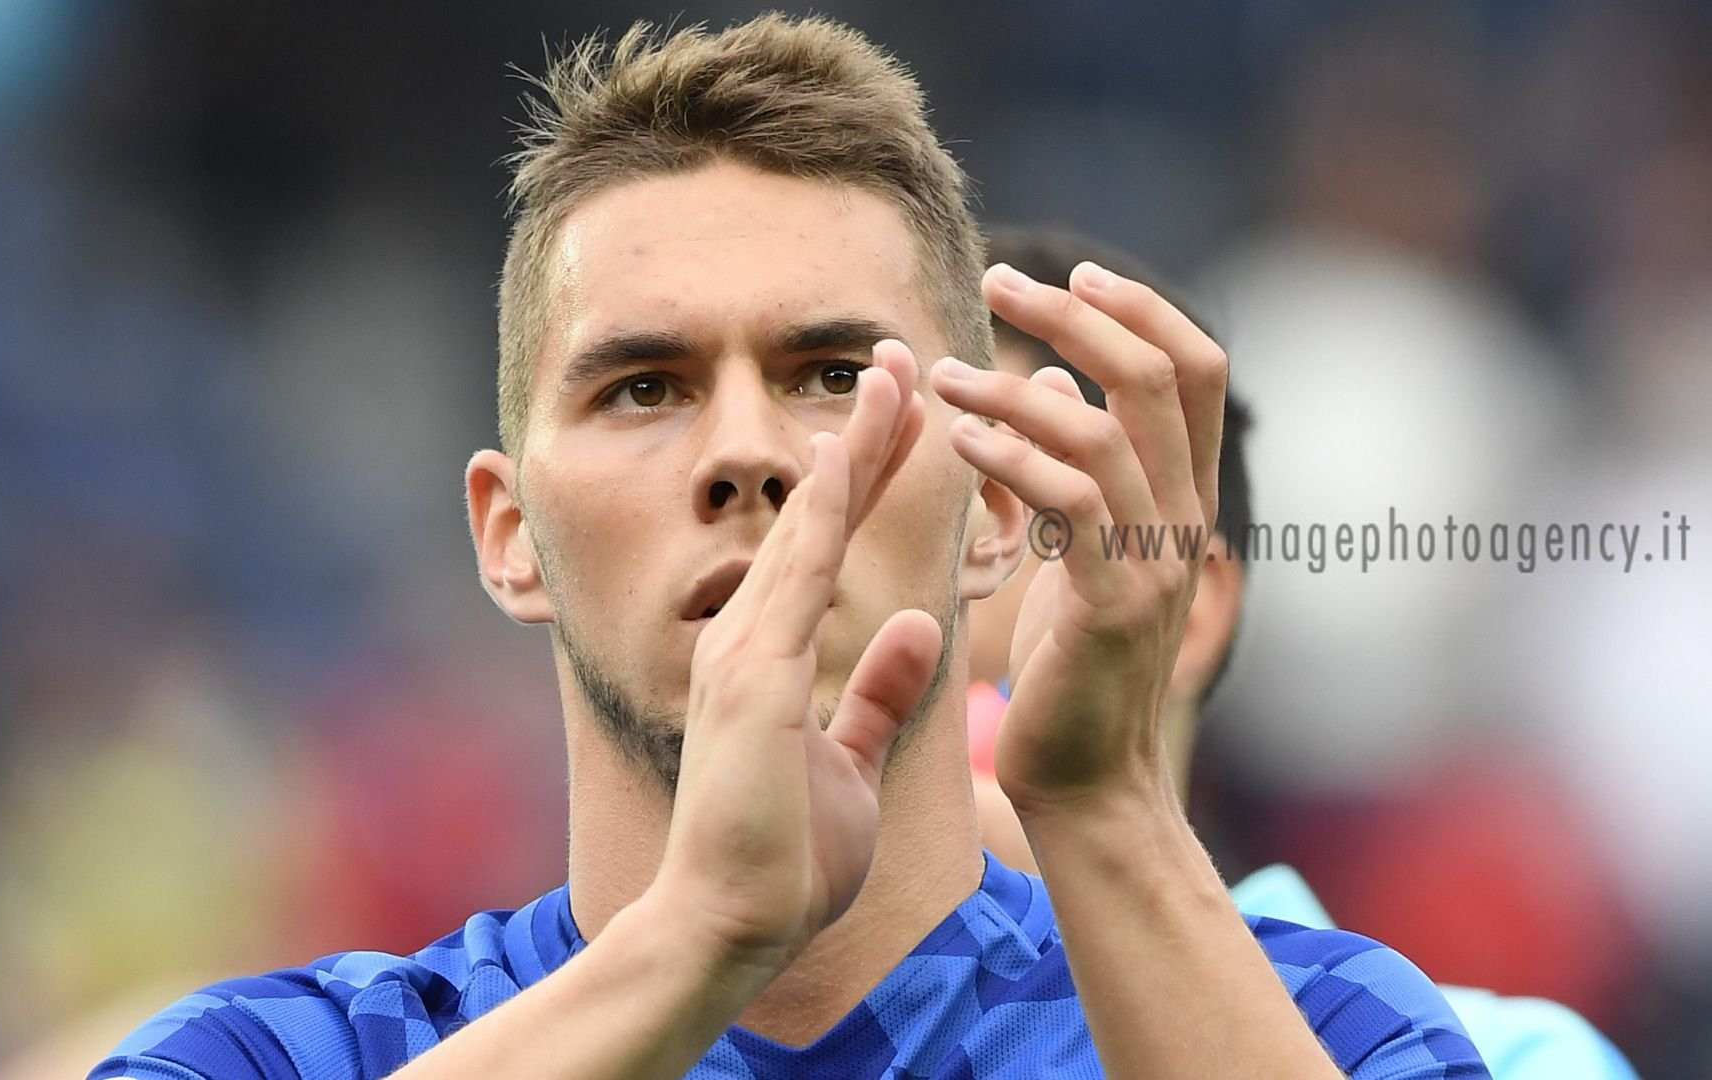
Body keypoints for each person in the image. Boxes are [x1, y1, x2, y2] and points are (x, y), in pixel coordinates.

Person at [91, 16, 1488, 1078]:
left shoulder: (1321, 1025)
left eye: (832, 376)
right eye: (644, 387)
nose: (747, 453)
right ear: (508, 538)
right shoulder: (281, 1056)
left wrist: (1106, 810)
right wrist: (698, 932)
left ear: (996, 512)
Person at [967, 225, 1639, 1080]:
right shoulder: (812, 1016)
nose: (916, 599)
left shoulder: (1516, 1059)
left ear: (1186, 612)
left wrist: (1094, 830)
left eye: (991, 509)